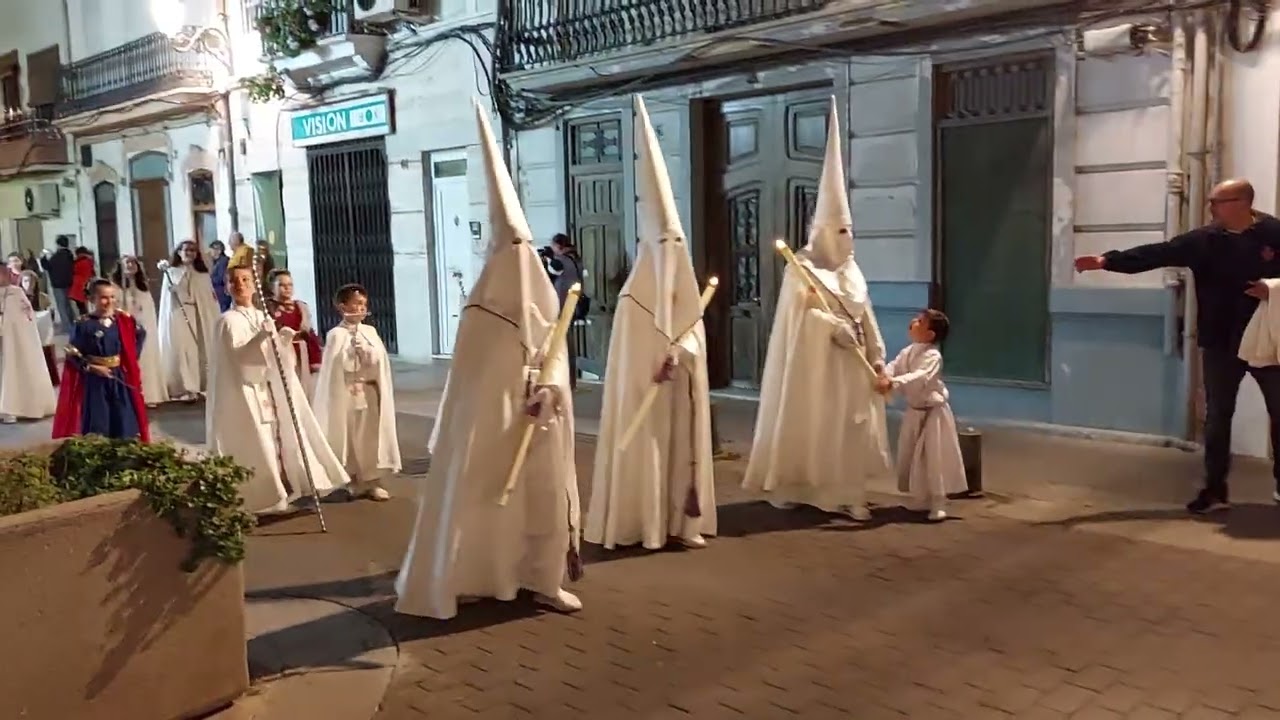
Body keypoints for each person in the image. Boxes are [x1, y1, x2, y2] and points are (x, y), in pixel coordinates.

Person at [395, 101, 583, 620]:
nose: (522, 260)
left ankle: (545, 579)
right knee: (489, 504)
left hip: (542, 425)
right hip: (494, 432)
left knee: (545, 503)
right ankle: (487, 576)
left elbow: (559, 354)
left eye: (528, 247)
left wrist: (552, 389)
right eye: (513, 247)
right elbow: (470, 385)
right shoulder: (480, 312)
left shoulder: (547, 305)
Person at [1075, 178, 1280, 513]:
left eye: (1218, 201)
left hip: (1268, 339)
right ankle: (1215, 490)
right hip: (1220, 341)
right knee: (1216, 418)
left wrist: (1272, 288)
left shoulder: (1274, 233)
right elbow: (1160, 252)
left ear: (1242, 202)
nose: (1211, 208)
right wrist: (1106, 261)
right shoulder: (1205, 240)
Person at [741, 98, 893, 521]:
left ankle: (850, 492)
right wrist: (827, 326)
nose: (845, 237)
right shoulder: (802, 268)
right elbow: (797, 317)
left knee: (854, 427)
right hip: (818, 365)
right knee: (816, 423)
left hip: (854, 363)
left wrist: (878, 356)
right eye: (838, 229)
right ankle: (805, 486)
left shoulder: (852, 268)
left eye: (850, 229)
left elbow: (866, 313)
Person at [585, 96, 716, 552]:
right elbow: (626, 363)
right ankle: (644, 522)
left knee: (684, 453)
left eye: (677, 242)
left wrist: (683, 352)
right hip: (646, 400)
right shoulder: (632, 299)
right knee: (649, 452)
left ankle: (684, 520)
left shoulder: (687, 297)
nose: (671, 251)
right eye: (662, 242)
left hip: (681, 396)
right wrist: (650, 369)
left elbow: (695, 334)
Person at [206, 266, 350, 516]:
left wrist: (281, 341)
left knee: (276, 441)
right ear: (227, 286)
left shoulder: (260, 315)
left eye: (245, 280)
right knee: (258, 444)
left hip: (265, 389)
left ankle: (284, 489)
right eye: (234, 281)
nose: (240, 285)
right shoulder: (227, 321)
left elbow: (274, 359)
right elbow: (241, 361)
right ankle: (262, 497)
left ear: (254, 284)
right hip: (244, 392)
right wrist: (262, 337)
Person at [312, 283, 400, 502]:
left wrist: (368, 353)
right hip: (348, 393)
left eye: (364, 304)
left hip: (369, 390)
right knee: (351, 436)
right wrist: (349, 354)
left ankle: (373, 480)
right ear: (343, 307)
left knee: (370, 436)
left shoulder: (370, 331)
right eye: (357, 304)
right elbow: (334, 369)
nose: (362, 308)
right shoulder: (335, 334)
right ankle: (354, 479)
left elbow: (380, 362)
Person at [879, 309, 965, 522]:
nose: (913, 322)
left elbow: (921, 376)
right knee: (911, 454)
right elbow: (893, 368)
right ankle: (920, 497)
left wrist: (894, 383)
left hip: (933, 414)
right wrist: (883, 374)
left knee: (934, 457)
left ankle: (938, 501)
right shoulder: (907, 352)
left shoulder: (933, 356)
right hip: (914, 412)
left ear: (930, 335)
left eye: (920, 321)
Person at [52, 279, 149, 440]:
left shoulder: (123, 321)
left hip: (118, 377)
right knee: (99, 420)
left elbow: (139, 334)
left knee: (123, 418)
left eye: (112, 297)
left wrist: (130, 357)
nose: (109, 301)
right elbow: (73, 353)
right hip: (95, 381)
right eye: (104, 297)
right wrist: (91, 367)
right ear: (92, 299)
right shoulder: (83, 324)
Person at [158, 239, 221, 401]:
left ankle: (199, 383)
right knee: (182, 349)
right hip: (178, 315)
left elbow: (207, 299)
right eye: (186, 250)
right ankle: (184, 385)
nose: (189, 253)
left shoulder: (202, 275)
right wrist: (175, 292)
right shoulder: (171, 273)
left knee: (196, 349)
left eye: (192, 250)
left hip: (197, 316)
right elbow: (167, 303)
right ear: (179, 252)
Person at [0, 270, 57, 424]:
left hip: (17, 342)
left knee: (16, 371)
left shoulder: (16, 293)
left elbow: (25, 317)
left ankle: (19, 407)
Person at [113, 256, 169, 408]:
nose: (131, 265)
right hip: (126, 329)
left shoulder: (142, 287)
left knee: (145, 359)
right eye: (127, 263)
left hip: (143, 329)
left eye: (133, 263)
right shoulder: (116, 288)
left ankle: (148, 394)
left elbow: (148, 309)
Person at [267, 269, 322, 398]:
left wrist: (316, 360)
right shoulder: (268, 307)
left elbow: (310, 336)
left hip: (300, 356)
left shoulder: (301, 307)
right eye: (282, 285)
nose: (287, 288)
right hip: (280, 353)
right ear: (272, 287)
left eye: (290, 285)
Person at [548, 233, 583, 386]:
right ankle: (572, 379)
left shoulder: (561, 262)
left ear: (559, 246)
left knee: (562, 346)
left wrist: (548, 259)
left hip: (562, 307)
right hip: (573, 305)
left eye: (553, 246)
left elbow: (550, 274)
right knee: (569, 343)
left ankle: (567, 380)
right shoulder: (576, 260)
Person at [17, 269, 58, 387]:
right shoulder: (17, 298)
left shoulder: (43, 297)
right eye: (25, 281)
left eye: (31, 281)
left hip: (42, 332)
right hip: (25, 332)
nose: (28, 284)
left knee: (47, 355)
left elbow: (50, 314)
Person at [40, 235, 76, 328]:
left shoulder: (56, 256)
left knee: (61, 306)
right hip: (69, 283)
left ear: (58, 244)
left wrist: (42, 258)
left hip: (58, 284)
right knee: (68, 305)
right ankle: (72, 324)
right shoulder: (70, 255)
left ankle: (67, 327)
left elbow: (47, 267)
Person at [68, 247, 95, 317]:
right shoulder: (90, 261)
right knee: (84, 306)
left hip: (78, 286)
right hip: (85, 285)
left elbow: (73, 271)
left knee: (81, 307)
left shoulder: (78, 261)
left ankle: (83, 320)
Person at [209, 240, 231, 311]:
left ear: (219, 251)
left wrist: (208, 280)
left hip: (222, 295)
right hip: (218, 294)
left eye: (212, 250)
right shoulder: (216, 262)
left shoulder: (223, 261)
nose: (210, 253)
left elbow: (220, 278)